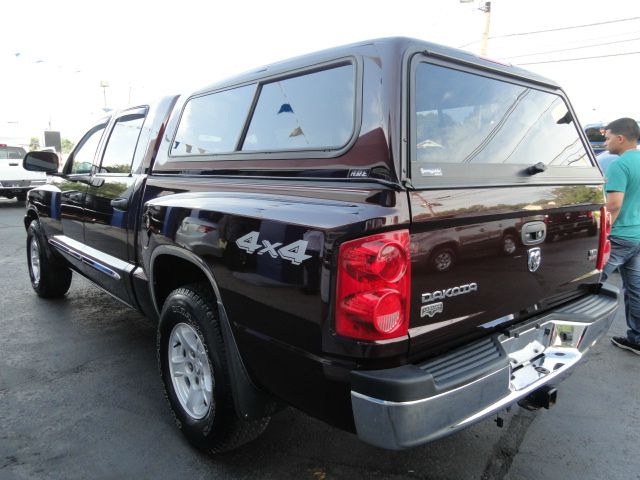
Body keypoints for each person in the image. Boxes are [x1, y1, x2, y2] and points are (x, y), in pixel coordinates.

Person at [602, 117, 640, 355]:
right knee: (635, 289)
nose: (605, 143)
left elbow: (613, 205)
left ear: (620, 138)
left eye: (607, 138)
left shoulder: (619, 165)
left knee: (585, 285)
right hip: (637, 236)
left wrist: (602, 234)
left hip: (619, 237)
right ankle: (637, 339)